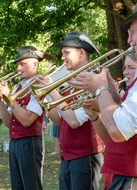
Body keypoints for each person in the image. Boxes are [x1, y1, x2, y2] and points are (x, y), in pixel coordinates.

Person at [67, 6, 137, 188]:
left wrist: (101, 88)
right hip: (117, 170)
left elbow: (118, 130)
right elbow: (121, 115)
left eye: (132, 32)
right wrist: (109, 88)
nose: (129, 39)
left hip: (129, 174)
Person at [34, 32, 104, 190]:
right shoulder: (71, 82)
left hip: (85, 157)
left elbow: (73, 121)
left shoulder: (93, 81)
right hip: (68, 157)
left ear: (81, 53)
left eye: (66, 52)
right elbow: (60, 119)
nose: (63, 57)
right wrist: (42, 100)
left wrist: (51, 90)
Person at [0, 46, 56, 190]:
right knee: (17, 186)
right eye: (18, 65)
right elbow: (8, 122)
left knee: (31, 186)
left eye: (22, 64)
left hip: (30, 143)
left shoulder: (39, 86)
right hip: (15, 143)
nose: (18, 68)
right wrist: (0, 101)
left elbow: (27, 120)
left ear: (35, 64)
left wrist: (9, 97)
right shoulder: (17, 89)